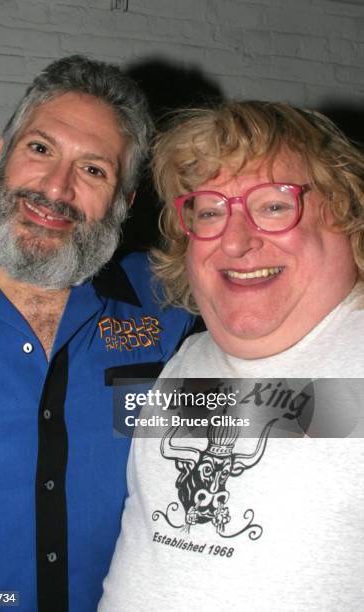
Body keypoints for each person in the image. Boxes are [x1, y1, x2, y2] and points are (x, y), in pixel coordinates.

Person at [0, 55, 194, 612]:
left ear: (123, 202)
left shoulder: (170, 308)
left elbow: (299, 419)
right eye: (40, 149)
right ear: (0, 156)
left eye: (93, 170)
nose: (55, 189)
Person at [99, 101, 364, 611]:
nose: (237, 241)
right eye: (211, 211)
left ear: (346, 211)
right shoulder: (183, 358)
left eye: (273, 206)